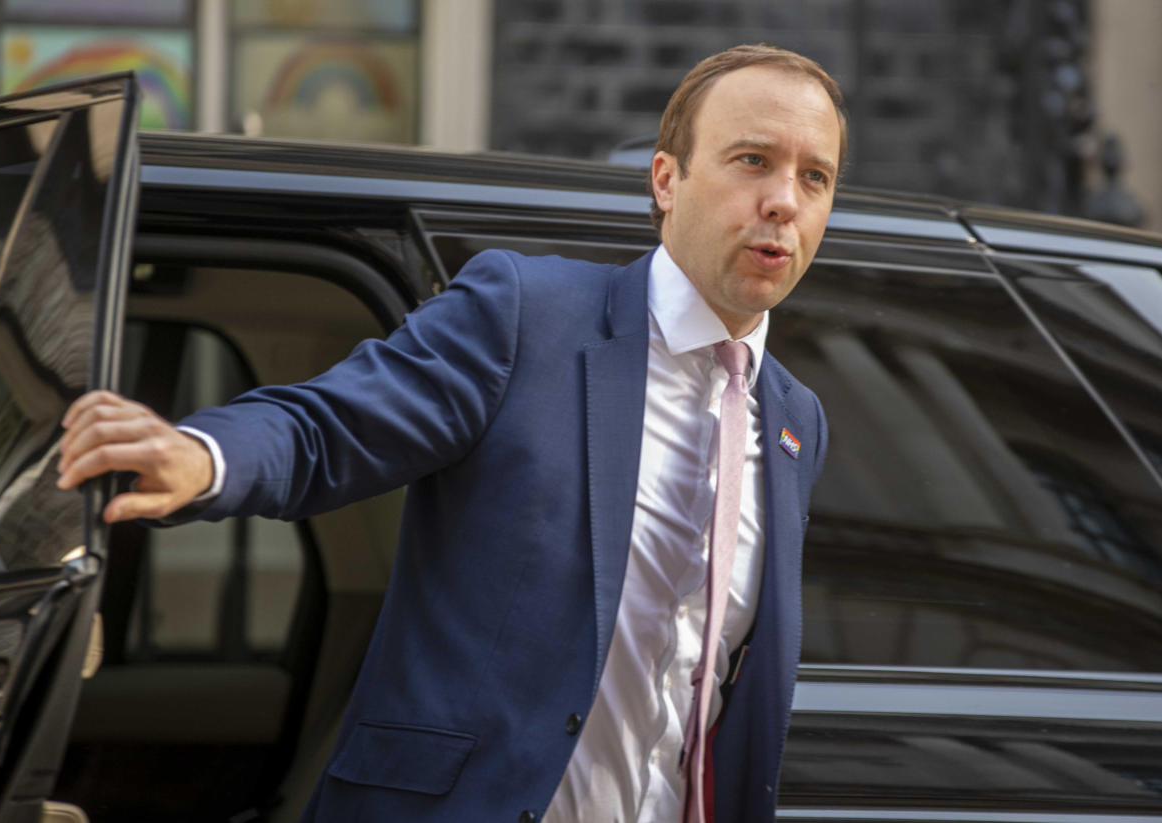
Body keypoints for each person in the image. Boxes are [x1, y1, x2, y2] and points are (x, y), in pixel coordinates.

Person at [57, 43, 844, 823]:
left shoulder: (793, 419)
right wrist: (203, 456)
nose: (783, 200)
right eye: (751, 160)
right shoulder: (526, 314)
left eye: (814, 177)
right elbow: (328, 427)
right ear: (666, 179)